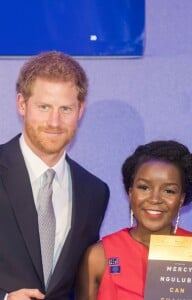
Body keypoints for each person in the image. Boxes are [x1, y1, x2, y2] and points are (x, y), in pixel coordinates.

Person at [0, 51, 109, 300]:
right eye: (44, 107)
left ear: (80, 110)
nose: (54, 122)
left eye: (66, 109)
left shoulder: (94, 191)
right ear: (21, 104)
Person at [76, 140, 192, 300]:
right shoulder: (98, 257)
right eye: (144, 187)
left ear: (181, 198)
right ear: (131, 192)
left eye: (169, 191)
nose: (155, 199)